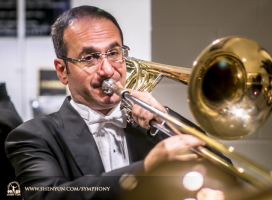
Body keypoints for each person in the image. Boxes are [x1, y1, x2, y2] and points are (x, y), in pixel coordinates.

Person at [5, 6, 229, 200]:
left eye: (114, 53)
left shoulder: (155, 128)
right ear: (63, 71)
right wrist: (145, 170)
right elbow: (47, 195)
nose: (108, 70)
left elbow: (227, 174)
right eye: (89, 58)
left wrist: (166, 120)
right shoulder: (33, 136)